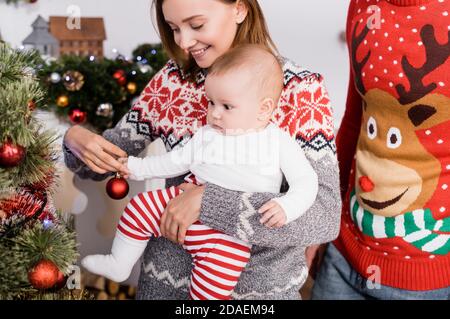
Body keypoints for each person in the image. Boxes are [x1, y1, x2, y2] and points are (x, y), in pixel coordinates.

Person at [63, 0, 341, 299]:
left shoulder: (300, 89)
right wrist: (75, 141)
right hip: (161, 288)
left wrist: (210, 201)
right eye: (173, 28)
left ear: (239, 9)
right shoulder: (172, 82)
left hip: (257, 297)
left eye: (196, 25)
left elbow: (323, 217)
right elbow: (104, 164)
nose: (183, 42)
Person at [312, 0, 450, 300]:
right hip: (344, 254)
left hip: (427, 279)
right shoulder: (362, 5)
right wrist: (323, 223)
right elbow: (354, 120)